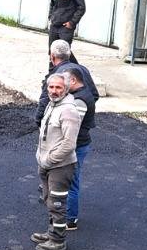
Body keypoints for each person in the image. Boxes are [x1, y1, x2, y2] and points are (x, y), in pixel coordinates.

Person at [35, 40, 99, 230]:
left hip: (75, 144)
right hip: (78, 140)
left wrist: (42, 122)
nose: (57, 89)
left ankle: (67, 222)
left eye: (60, 87)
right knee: (67, 182)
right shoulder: (82, 70)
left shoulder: (73, 99)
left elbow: (69, 136)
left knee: (70, 182)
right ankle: (58, 222)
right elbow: (95, 94)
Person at [31, 73, 87, 250]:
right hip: (46, 163)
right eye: (51, 87)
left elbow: (69, 144)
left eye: (58, 88)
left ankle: (58, 240)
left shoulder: (69, 110)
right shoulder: (51, 104)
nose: (54, 91)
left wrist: (49, 159)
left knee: (57, 204)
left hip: (60, 166)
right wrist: (40, 156)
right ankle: (51, 232)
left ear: (66, 89)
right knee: (48, 200)